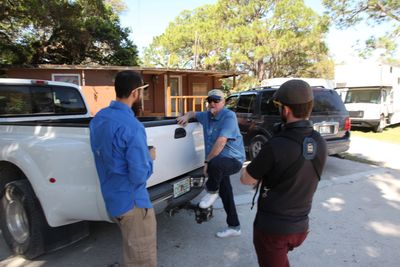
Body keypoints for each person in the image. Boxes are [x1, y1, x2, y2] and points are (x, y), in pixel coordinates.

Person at [240, 79, 328, 267]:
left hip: (273, 231)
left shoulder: (276, 145)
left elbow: (246, 179)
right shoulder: (320, 142)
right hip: (301, 227)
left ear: (286, 110)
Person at [89, 70, 156, 267]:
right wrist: (150, 158)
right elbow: (139, 175)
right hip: (133, 202)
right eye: (142, 91)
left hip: (113, 198)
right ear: (135, 92)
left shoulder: (99, 118)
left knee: (131, 249)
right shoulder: (132, 126)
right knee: (141, 259)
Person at [177, 89, 245, 238]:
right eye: (210, 101)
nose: (212, 103)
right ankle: (234, 226)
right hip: (219, 162)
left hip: (233, 160)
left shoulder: (229, 116)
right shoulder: (206, 115)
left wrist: (207, 161)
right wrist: (186, 116)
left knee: (215, 164)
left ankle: (211, 191)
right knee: (226, 193)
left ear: (223, 102)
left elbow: (221, 142)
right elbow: (193, 113)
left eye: (216, 100)